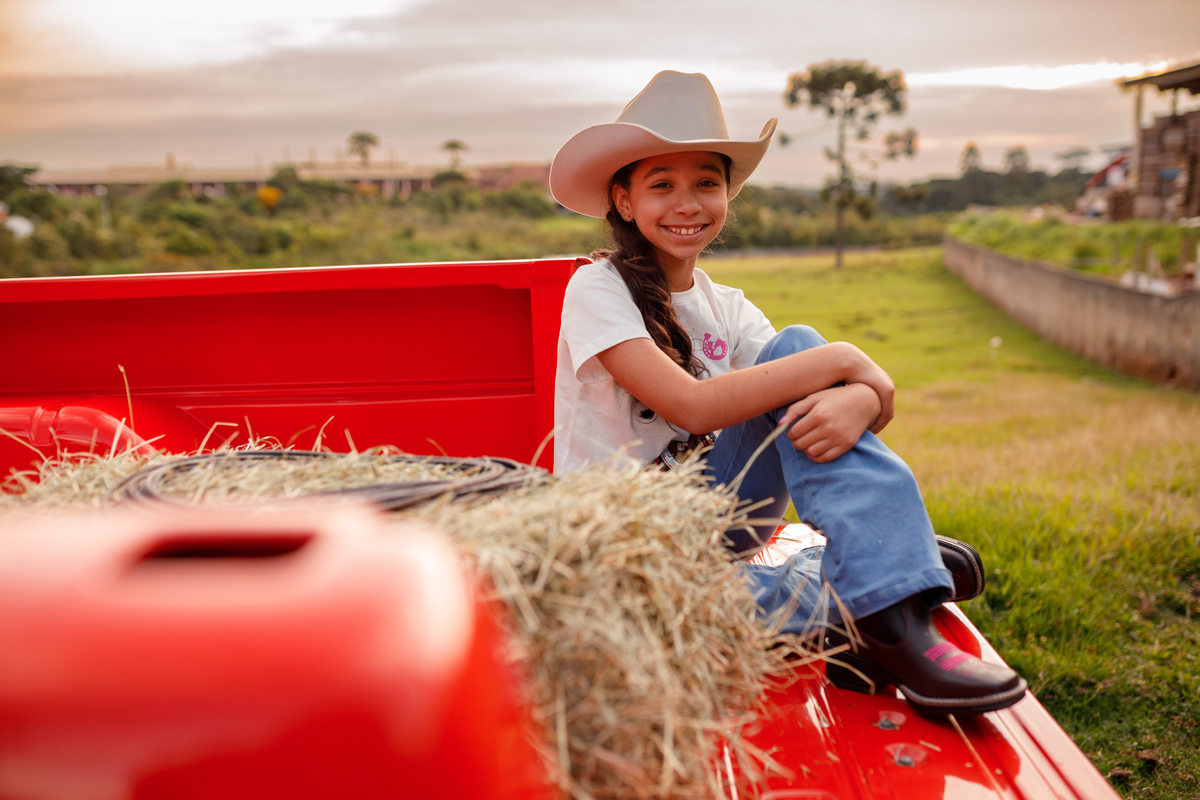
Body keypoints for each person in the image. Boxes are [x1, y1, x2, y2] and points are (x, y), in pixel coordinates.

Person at [549, 70, 1026, 716]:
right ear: (625, 202)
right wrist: (851, 360)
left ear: (726, 197)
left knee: (795, 343)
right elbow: (690, 406)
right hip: (628, 552)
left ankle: (892, 623)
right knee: (676, 619)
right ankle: (890, 576)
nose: (687, 203)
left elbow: (808, 380)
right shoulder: (596, 291)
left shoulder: (729, 308)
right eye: (662, 185)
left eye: (706, 183)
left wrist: (866, 393)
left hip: (717, 523)